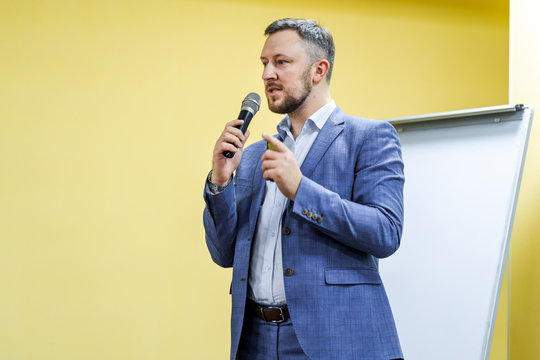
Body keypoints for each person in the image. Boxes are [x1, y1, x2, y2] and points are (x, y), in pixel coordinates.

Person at [203, 18, 405, 360]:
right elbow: (224, 255)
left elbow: (386, 233)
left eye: (281, 62)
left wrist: (301, 189)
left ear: (318, 70)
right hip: (254, 339)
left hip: (335, 340)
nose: (267, 74)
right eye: (264, 63)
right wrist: (220, 182)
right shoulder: (253, 156)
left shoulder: (369, 137)